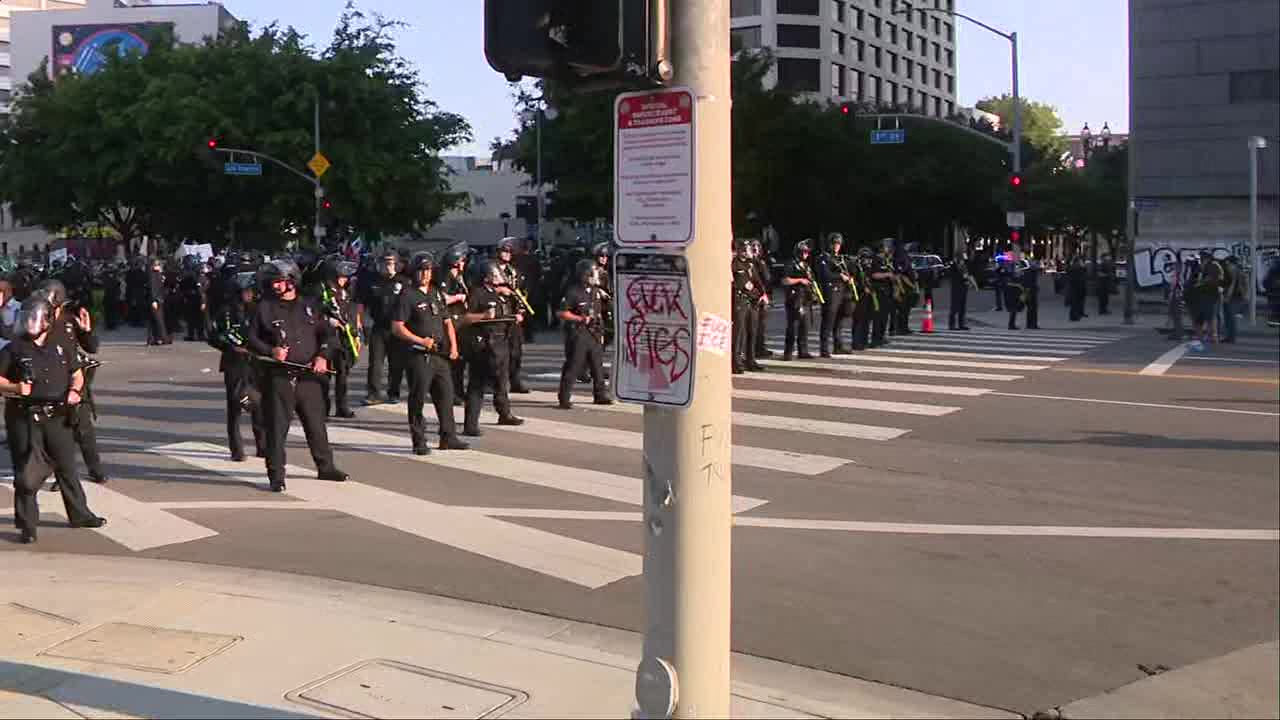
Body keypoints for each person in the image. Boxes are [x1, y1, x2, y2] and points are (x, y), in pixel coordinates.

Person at [0, 295, 106, 544]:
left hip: (57, 417)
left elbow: (77, 373)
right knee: (26, 475)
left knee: (67, 468)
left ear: (47, 320)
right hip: (24, 418)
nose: (30, 323)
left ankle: (80, 514)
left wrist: (74, 391)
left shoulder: (62, 345)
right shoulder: (13, 348)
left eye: (35, 317)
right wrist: (16, 388)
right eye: (26, 317)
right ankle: (27, 526)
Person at [246, 258, 349, 492]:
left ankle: (326, 467)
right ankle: (276, 475)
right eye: (271, 283)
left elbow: (328, 335)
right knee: (276, 429)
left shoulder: (310, 305)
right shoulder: (263, 308)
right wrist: (269, 350)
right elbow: (251, 339)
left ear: (292, 281)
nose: (274, 287)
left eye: (279, 282)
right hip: (278, 377)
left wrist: (322, 356)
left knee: (316, 426)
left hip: (308, 376)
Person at [391, 252, 470, 455]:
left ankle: (448, 437)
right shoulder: (407, 295)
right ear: (414, 272)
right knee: (417, 399)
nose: (425, 274)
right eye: (421, 270)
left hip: (440, 354)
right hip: (419, 355)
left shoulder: (435, 292)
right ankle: (419, 441)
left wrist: (454, 346)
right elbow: (397, 327)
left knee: (445, 396)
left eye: (428, 270)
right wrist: (420, 340)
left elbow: (447, 321)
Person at [37, 279, 108, 486]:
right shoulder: (40, 321)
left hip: (76, 383)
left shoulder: (70, 320)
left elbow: (92, 347)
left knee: (84, 430)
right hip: (53, 384)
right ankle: (62, 474)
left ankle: (95, 470)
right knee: (58, 435)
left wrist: (86, 330)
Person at [461, 259, 525, 436]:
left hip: (501, 342)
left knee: (502, 382)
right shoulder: (477, 293)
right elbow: (464, 318)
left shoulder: (499, 294)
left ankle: (504, 413)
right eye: (493, 274)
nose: (497, 277)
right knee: (477, 385)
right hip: (483, 344)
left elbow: (503, 315)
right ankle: (470, 424)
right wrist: (483, 315)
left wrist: (515, 317)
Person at [209, 270, 266, 461]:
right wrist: (231, 347)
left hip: (255, 362)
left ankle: (262, 446)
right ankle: (236, 449)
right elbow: (213, 336)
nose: (251, 294)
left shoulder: (257, 308)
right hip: (234, 364)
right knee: (235, 407)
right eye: (247, 291)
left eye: (252, 291)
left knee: (258, 404)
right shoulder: (226, 311)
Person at [557, 259, 614, 407]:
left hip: (594, 333)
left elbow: (601, 312)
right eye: (593, 273)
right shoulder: (573, 292)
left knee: (597, 366)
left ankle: (600, 395)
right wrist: (580, 318)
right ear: (584, 274)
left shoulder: (596, 291)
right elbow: (562, 313)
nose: (596, 276)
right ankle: (564, 398)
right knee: (574, 365)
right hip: (578, 334)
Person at [357, 246, 408, 405]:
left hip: (398, 327)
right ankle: (373, 394)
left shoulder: (404, 282)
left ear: (397, 264)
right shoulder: (372, 281)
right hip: (378, 326)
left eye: (391, 263)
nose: (387, 266)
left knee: (396, 362)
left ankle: (393, 392)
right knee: (375, 362)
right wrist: (360, 324)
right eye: (384, 263)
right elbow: (360, 304)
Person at [317, 256, 360, 418]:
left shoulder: (345, 292)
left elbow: (349, 313)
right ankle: (324, 408)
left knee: (343, 374)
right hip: (327, 338)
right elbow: (312, 314)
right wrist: (330, 321)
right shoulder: (322, 291)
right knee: (324, 376)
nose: (344, 279)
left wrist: (355, 334)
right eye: (341, 276)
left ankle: (342, 407)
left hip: (343, 339)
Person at [495, 238, 533, 394]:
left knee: (516, 350)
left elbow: (522, 293)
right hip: (498, 314)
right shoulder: (492, 269)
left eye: (510, 252)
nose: (507, 254)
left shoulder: (514, 272)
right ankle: (496, 382)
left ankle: (515, 380)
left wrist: (521, 311)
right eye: (504, 251)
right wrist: (500, 290)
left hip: (513, 314)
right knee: (497, 353)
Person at [440, 243, 471, 407]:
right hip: (451, 321)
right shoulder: (445, 276)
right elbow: (443, 299)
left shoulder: (459, 276)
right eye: (462, 260)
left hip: (461, 322)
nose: (464, 263)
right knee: (452, 360)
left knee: (460, 361)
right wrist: (459, 297)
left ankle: (458, 391)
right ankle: (450, 393)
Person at [731, 240, 764, 374]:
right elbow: (741, 284)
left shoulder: (751, 264)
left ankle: (751, 360)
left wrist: (762, 293)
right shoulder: (735, 264)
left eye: (748, 249)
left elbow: (758, 281)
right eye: (745, 249)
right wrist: (754, 291)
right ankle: (736, 362)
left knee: (752, 331)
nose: (747, 251)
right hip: (741, 301)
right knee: (739, 333)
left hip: (752, 302)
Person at [817, 233, 853, 357]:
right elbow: (825, 275)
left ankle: (838, 346)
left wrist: (849, 277)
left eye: (838, 243)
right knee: (828, 320)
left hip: (842, 291)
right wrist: (840, 276)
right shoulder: (824, 257)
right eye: (834, 243)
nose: (836, 246)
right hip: (831, 292)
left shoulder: (840, 258)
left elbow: (848, 270)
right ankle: (824, 349)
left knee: (839, 320)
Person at [782, 240, 817, 361]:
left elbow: (812, 281)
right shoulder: (791, 264)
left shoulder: (807, 266)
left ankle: (803, 351)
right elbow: (785, 280)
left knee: (804, 326)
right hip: (794, 298)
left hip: (805, 298)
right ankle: (788, 352)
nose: (806, 255)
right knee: (793, 326)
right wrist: (800, 280)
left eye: (807, 252)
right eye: (804, 252)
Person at [750, 239, 774, 359]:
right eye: (753, 246)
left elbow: (767, 279)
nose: (755, 248)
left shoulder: (762, 262)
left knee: (762, 325)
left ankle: (760, 347)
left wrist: (768, 296)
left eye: (757, 246)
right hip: (753, 296)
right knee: (753, 326)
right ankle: (752, 349)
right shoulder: (749, 262)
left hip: (763, 296)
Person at [869, 244, 896, 347]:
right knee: (878, 317)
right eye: (886, 247)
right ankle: (875, 340)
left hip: (887, 292)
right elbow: (874, 274)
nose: (888, 249)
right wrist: (887, 275)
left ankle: (881, 337)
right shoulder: (876, 259)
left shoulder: (886, 260)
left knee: (885, 317)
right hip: (878, 291)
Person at [850, 247, 876, 351]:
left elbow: (871, 279)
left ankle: (864, 341)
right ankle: (856, 342)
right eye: (866, 258)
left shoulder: (868, 268)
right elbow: (853, 282)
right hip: (858, 296)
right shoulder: (855, 267)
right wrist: (862, 288)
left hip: (868, 296)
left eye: (869, 258)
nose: (868, 261)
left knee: (867, 319)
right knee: (858, 320)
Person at [145, 257, 170, 345]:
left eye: (159, 264)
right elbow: (153, 289)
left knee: (154, 320)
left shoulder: (158, 274)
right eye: (156, 265)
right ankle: (162, 338)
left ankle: (154, 338)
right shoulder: (153, 275)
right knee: (158, 320)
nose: (158, 266)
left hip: (158, 299)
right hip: (156, 300)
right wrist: (154, 300)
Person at [948, 252, 976, 330]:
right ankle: (952, 324)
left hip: (963, 288)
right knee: (954, 306)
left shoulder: (963, 266)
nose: (963, 261)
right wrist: (963, 278)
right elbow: (955, 276)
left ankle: (961, 324)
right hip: (956, 288)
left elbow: (967, 274)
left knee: (962, 307)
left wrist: (969, 282)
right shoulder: (953, 265)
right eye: (962, 259)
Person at [1221, 256, 1244, 343]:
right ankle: (1229, 336)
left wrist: (1227, 297)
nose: (1227, 265)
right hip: (1235, 297)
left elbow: (1232, 285)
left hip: (1233, 297)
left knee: (1230, 317)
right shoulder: (1237, 271)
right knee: (1229, 317)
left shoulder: (1234, 271)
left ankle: (1231, 337)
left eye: (1228, 263)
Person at [1022, 260, 1041, 330]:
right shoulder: (1030, 272)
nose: (1037, 267)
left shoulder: (1032, 272)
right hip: (1030, 292)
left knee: (1032, 309)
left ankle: (1031, 324)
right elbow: (1029, 283)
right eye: (1036, 265)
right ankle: (1032, 324)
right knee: (1032, 308)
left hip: (1031, 291)